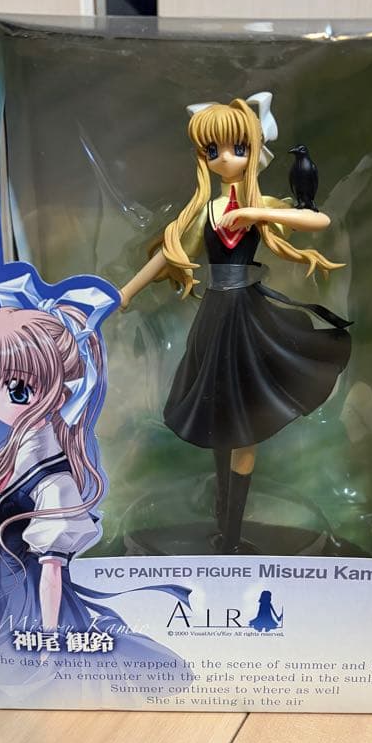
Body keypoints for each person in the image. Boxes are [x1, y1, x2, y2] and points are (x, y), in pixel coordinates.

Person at [119, 94, 351, 553]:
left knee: (247, 424)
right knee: (220, 417)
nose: (225, 158)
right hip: (215, 318)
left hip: (249, 319)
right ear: (203, 157)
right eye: (213, 151)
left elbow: (318, 219)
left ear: (254, 150)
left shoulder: (259, 206)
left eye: (238, 149)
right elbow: (169, 253)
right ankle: (223, 522)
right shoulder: (204, 211)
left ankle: (231, 534)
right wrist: (125, 293)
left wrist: (256, 212)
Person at [0, 271, 190, 660]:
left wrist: (48, 641)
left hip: (28, 618)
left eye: (16, 389)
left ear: (63, 391)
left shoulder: (52, 481)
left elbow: (51, 572)